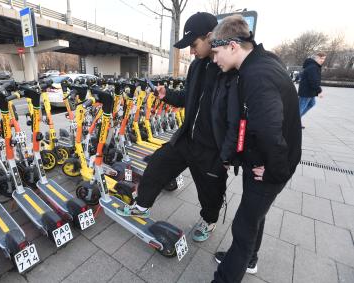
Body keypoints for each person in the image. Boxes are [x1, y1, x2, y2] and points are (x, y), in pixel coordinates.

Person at [116, 12, 240, 243]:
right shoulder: (196, 67)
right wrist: (167, 95)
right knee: (157, 164)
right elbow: (188, 98)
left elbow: (237, 115)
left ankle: (209, 220)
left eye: (194, 44)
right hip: (187, 138)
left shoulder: (229, 69)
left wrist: (230, 152)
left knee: (210, 190)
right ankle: (141, 205)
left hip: (211, 148)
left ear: (210, 36)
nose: (191, 51)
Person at [209, 15, 302, 283]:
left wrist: (274, 172)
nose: (215, 60)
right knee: (255, 215)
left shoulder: (257, 75)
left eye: (217, 52)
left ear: (233, 46)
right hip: (263, 160)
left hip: (271, 165)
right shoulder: (262, 61)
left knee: (243, 226)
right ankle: (249, 259)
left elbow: (270, 131)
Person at [298, 52, 326, 127]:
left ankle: (296, 120)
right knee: (300, 108)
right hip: (306, 91)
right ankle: (294, 122)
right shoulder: (313, 67)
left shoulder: (314, 66)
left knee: (311, 104)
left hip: (309, 91)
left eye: (323, 59)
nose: (322, 60)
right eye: (321, 58)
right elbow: (313, 80)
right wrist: (319, 90)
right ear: (316, 58)